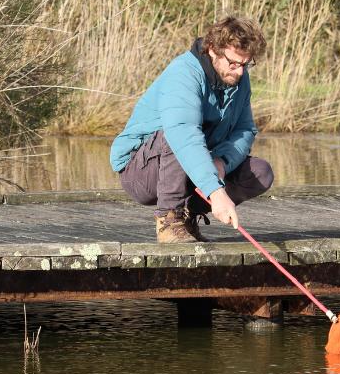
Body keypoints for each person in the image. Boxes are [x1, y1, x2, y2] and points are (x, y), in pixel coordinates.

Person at [110, 14, 274, 243]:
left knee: (260, 172)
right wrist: (216, 193)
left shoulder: (239, 79)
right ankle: (169, 220)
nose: (239, 71)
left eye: (246, 64)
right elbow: (184, 135)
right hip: (141, 172)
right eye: (234, 63)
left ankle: (189, 215)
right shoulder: (184, 73)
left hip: (194, 165)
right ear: (213, 50)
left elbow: (245, 131)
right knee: (175, 135)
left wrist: (223, 163)